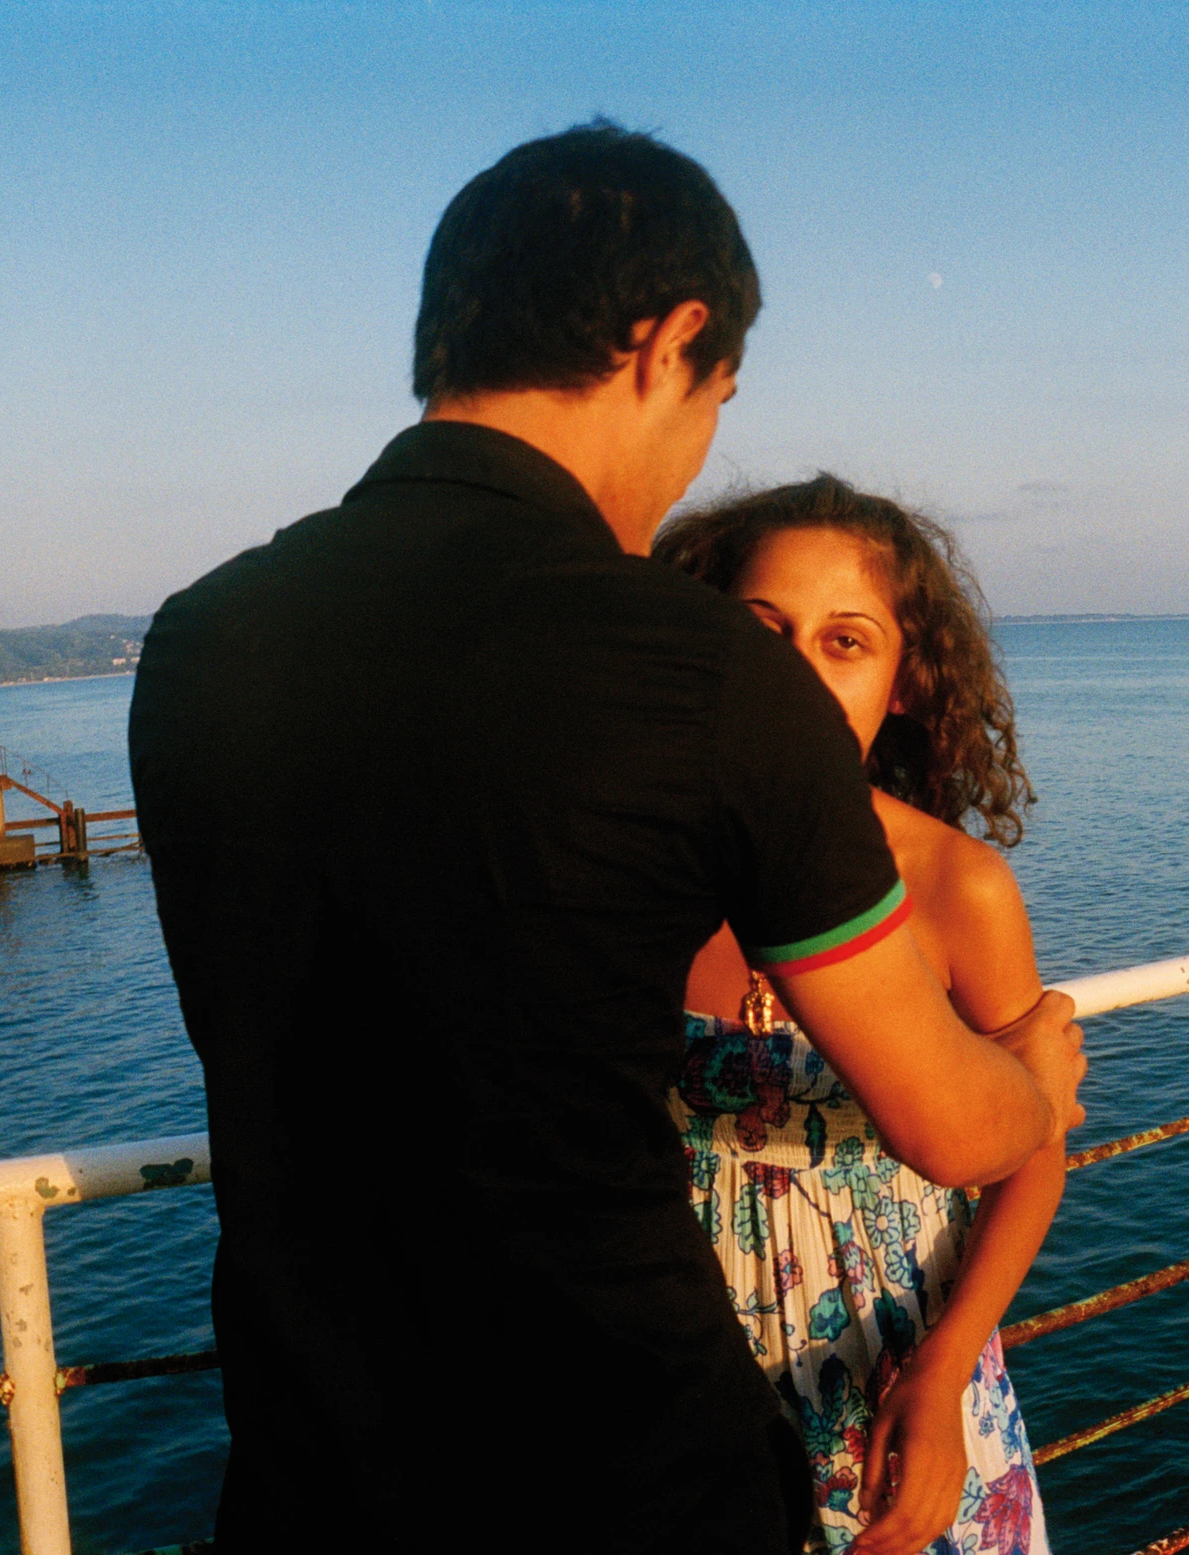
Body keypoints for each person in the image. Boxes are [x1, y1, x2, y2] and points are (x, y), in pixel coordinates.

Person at [130, 122, 1085, 1554]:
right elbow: (952, 1122)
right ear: (670, 341)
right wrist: (1035, 1077)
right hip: (623, 1469)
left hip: (312, 1468)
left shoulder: (200, 642)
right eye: (718, 396)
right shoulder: (694, 677)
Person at [654, 478, 1063, 1555]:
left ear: (907, 679)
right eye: (762, 629)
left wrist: (942, 1378)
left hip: (898, 1394)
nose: (794, 673)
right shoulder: (634, 871)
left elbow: (1036, 1152)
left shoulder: (953, 886)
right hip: (667, 1392)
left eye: (845, 641)